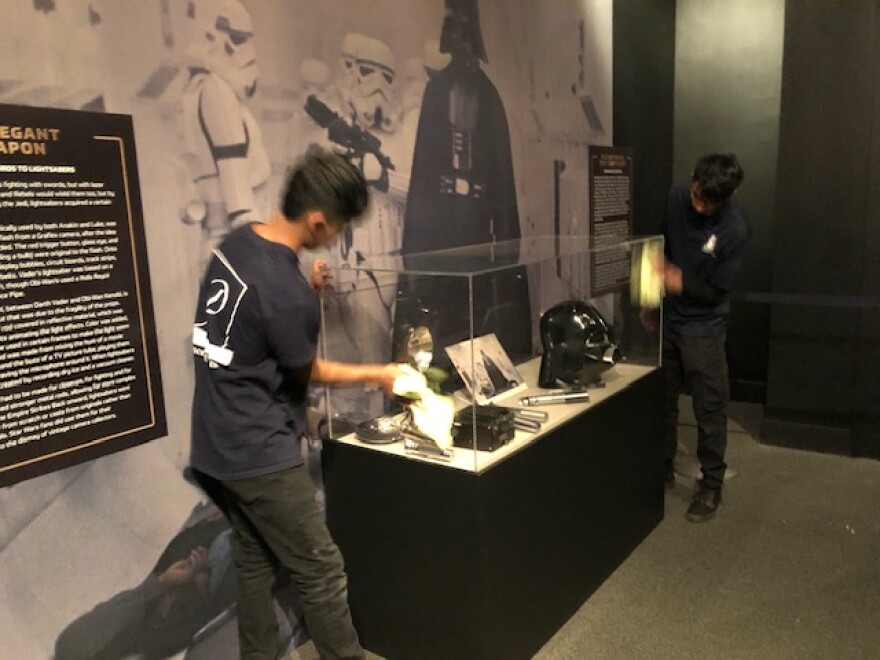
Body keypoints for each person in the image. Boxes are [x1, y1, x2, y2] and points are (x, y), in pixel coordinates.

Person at [189, 150, 404, 659]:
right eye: (340, 226)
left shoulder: (237, 246)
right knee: (323, 570)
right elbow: (307, 369)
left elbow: (254, 330)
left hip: (216, 445)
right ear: (317, 220)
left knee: (255, 560)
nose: (337, 236)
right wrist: (381, 373)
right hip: (259, 453)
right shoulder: (285, 291)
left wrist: (304, 292)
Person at [641, 153, 749, 523]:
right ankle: (662, 467)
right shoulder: (676, 198)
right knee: (662, 399)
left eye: (709, 202)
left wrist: (680, 281)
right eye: (697, 195)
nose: (699, 205)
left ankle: (711, 484)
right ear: (693, 180)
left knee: (710, 407)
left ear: (727, 197)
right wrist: (650, 302)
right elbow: (659, 250)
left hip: (705, 328)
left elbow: (718, 291)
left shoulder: (735, 228)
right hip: (671, 319)